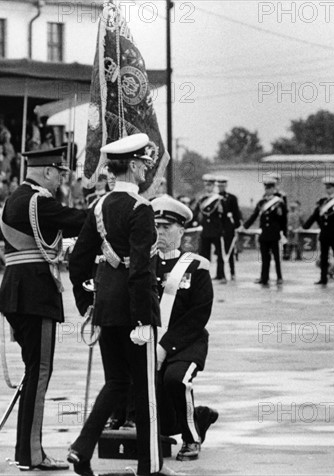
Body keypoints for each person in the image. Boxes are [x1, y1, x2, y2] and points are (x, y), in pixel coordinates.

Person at [67, 133, 169, 476]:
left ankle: (82, 449)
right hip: (133, 310)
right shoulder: (140, 209)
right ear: (135, 164)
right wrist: (143, 319)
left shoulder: (98, 207)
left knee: (115, 383)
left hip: (107, 306)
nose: (146, 170)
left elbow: (78, 260)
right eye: (144, 164)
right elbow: (141, 269)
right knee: (145, 390)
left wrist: (87, 303)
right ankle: (149, 466)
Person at [0, 146, 86, 471]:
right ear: (48, 171)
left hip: (15, 291)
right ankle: (32, 454)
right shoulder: (39, 202)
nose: (61, 182)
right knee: (40, 372)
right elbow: (80, 221)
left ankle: (26, 451)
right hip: (36, 292)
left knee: (33, 371)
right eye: (61, 175)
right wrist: (108, 204)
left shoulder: (14, 199)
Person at [151, 195, 219, 462]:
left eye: (166, 227)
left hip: (187, 343)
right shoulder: (145, 264)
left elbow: (199, 314)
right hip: (151, 341)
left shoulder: (197, 266)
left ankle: (191, 438)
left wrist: (165, 347)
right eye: (156, 226)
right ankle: (197, 417)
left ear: (181, 231)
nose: (159, 232)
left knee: (175, 380)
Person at [240, 177, 287, 285]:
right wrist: (245, 226)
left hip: (275, 233)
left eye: (270, 188)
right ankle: (264, 277)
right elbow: (254, 215)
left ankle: (279, 277)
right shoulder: (261, 203)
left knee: (276, 257)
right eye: (266, 188)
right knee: (264, 258)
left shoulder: (279, 203)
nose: (268, 190)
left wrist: (283, 233)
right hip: (264, 233)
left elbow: (283, 219)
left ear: (274, 189)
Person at [303, 177, 334, 286]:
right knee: (323, 257)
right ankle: (323, 278)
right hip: (324, 234)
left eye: (330, 188)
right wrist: (305, 226)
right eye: (327, 188)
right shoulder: (322, 202)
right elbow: (315, 215)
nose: (328, 190)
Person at [195, 174, 225, 282]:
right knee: (204, 255)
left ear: (213, 186)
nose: (208, 187)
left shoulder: (219, 199)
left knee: (220, 254)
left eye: (210, 185)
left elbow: (223, 216)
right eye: (207, 185)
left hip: (216, 230)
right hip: (205, 230)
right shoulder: (201, 199)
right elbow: (196, 214)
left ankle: (221, 274)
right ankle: (204, 275)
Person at [216, 176, 242, 280]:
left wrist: (237, 227)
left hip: (229, 228)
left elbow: (236, 213)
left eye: (222, 185)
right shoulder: (215, 197)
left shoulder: (232, 198)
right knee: (219, 252)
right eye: (219, 186)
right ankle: (220, 274)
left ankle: (232, 273)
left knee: (230, 251)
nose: (221, 187)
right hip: (218, 228)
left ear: (225, 186)